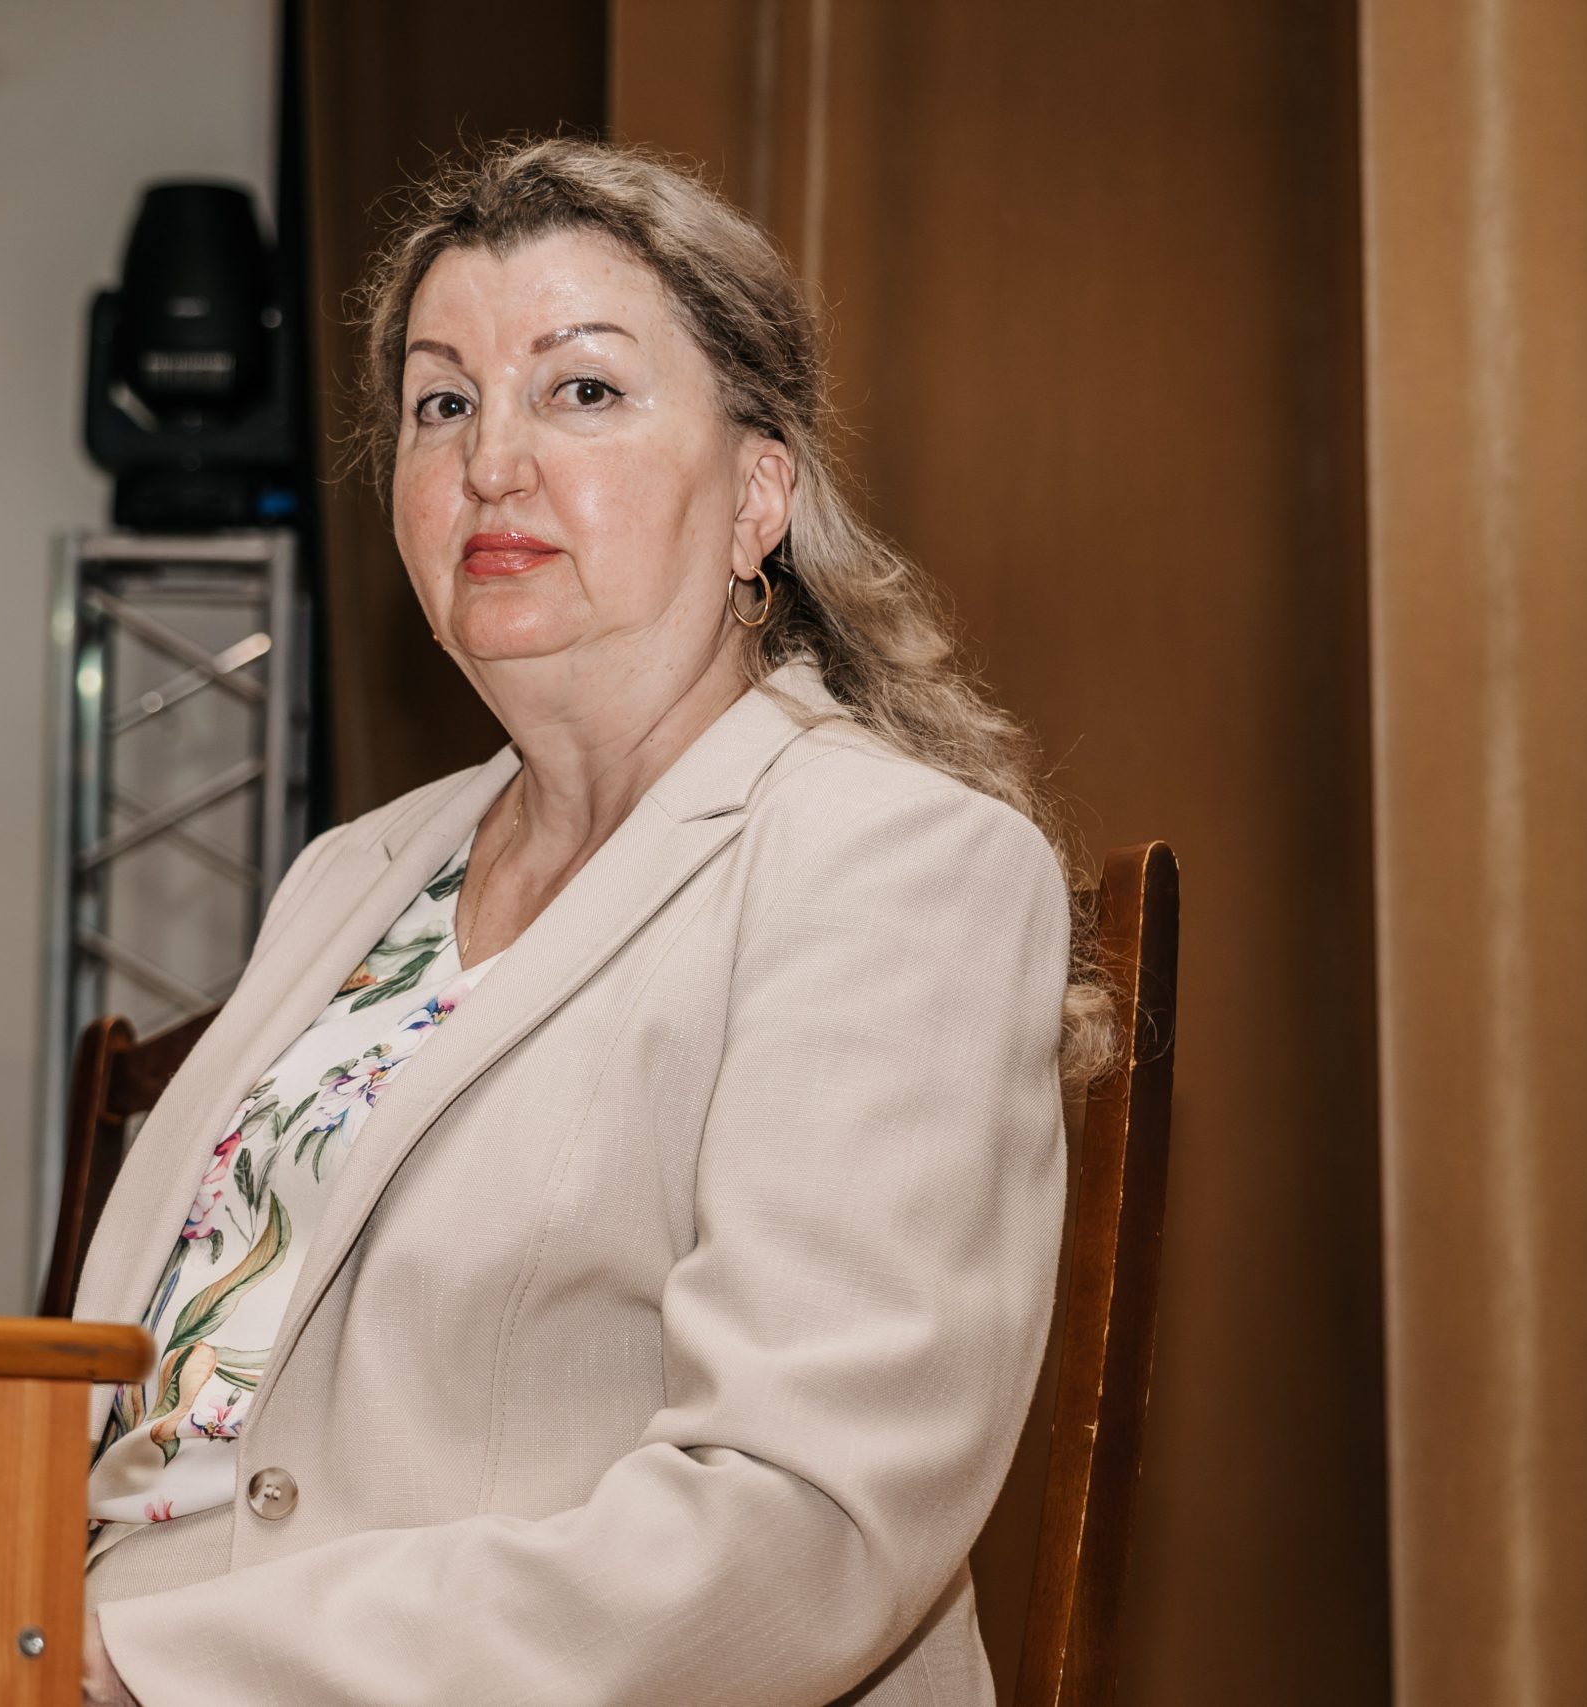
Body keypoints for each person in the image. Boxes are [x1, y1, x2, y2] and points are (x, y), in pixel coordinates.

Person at [74, 135, 1111, 1707]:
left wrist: (142, 1660)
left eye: (581, 390)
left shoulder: (892, 863)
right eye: (442, 404)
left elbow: (797, 1528)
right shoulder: (352, 875)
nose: (492, 460)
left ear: (758, 494)